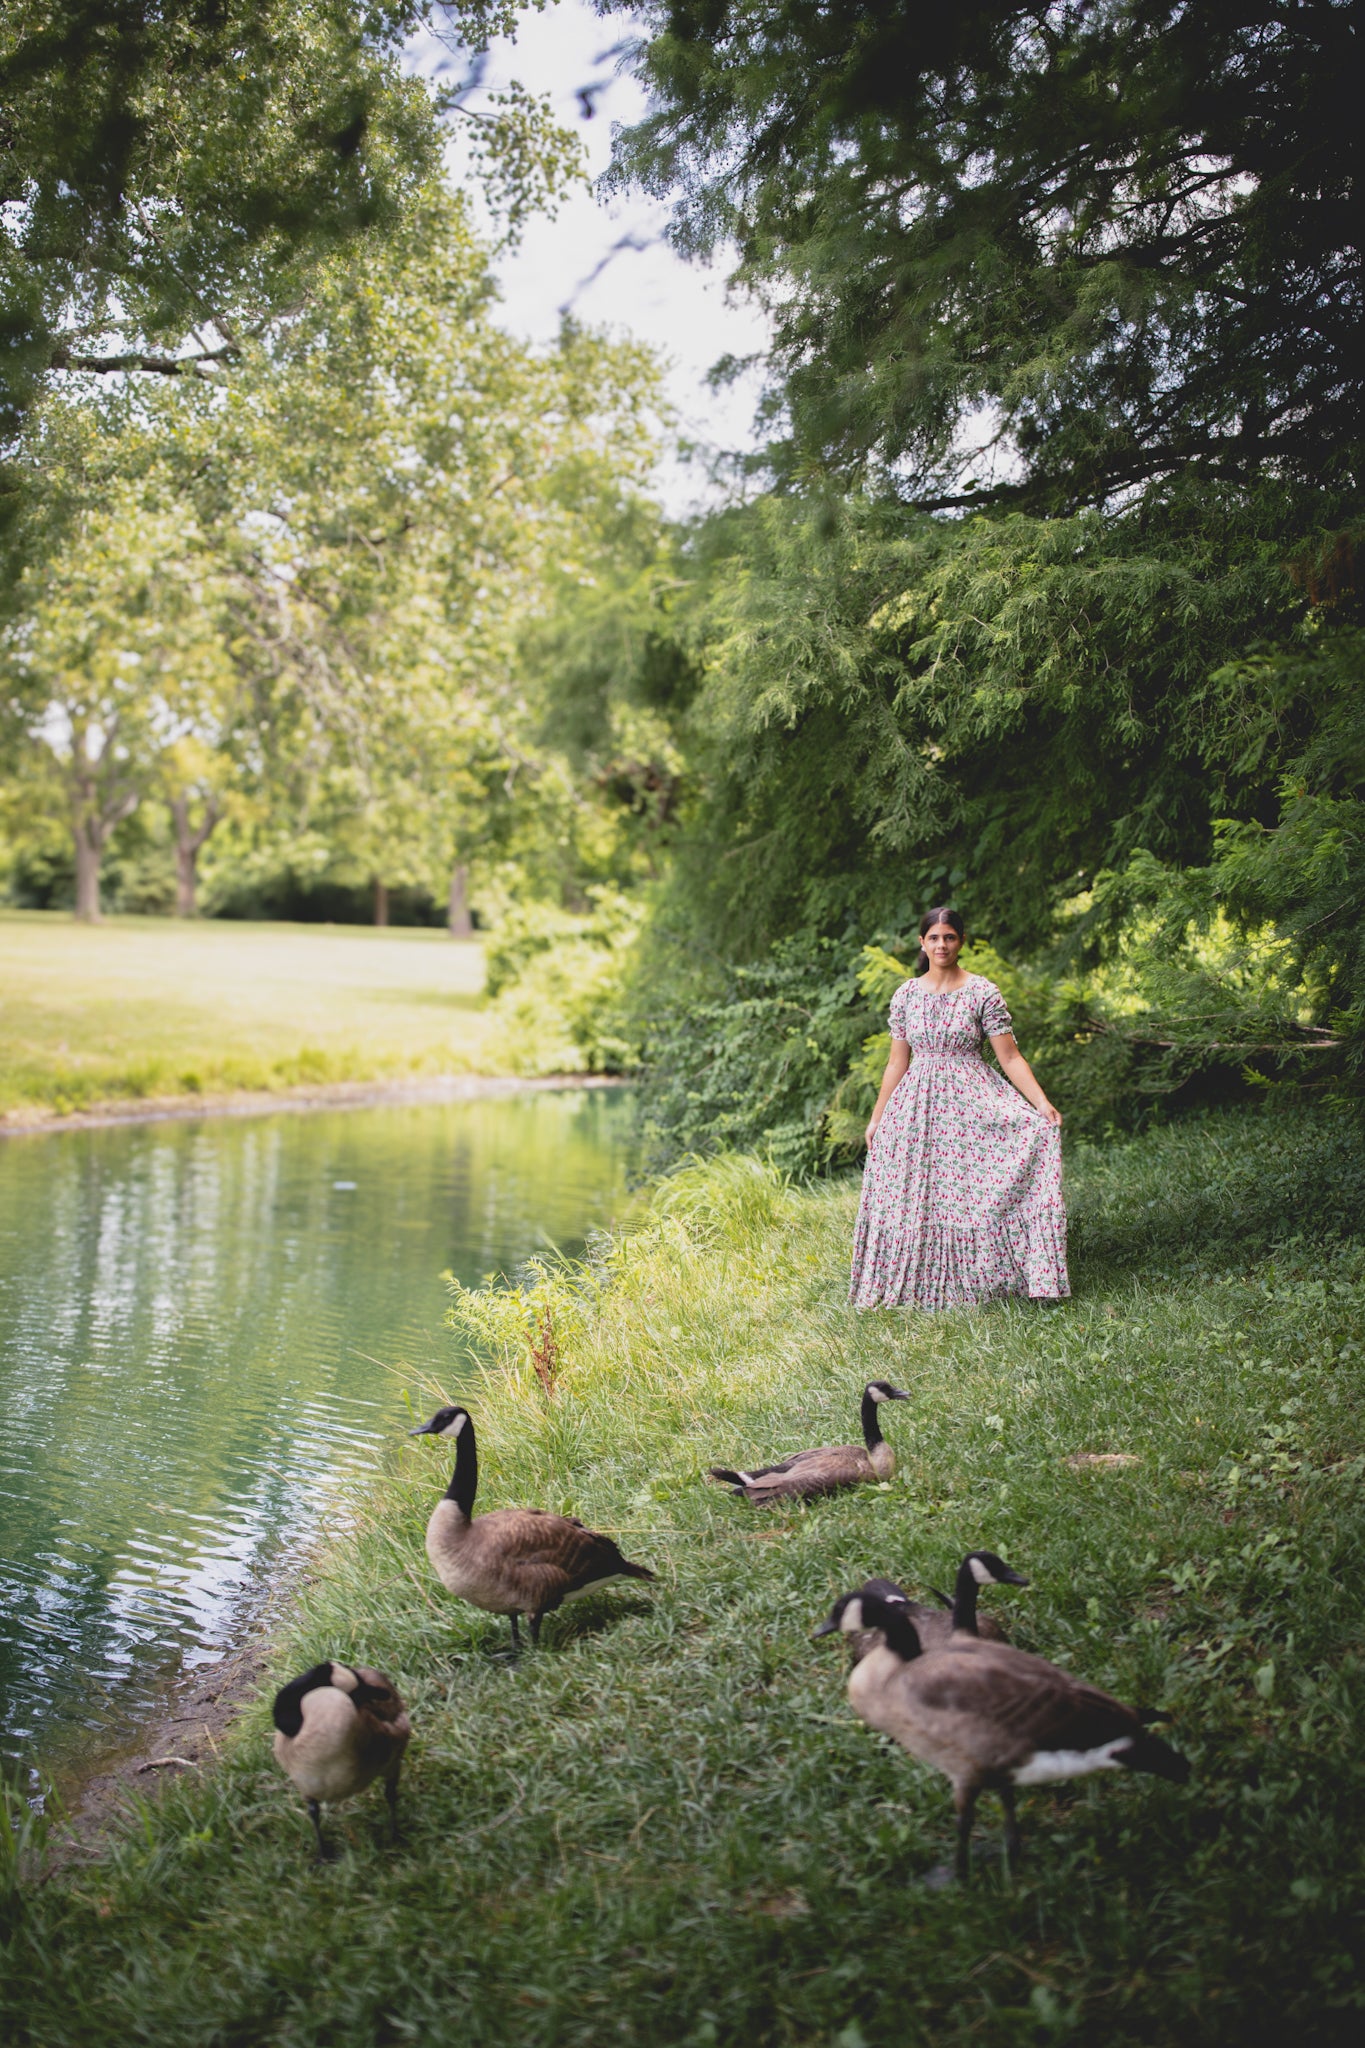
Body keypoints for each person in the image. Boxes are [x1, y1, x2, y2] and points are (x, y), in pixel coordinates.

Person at [849, 908, 1069, 1311]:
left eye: (949, 937)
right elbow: (897, 1061)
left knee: (969, 1196)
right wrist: (878, 1116)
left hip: (972, 1103)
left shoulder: (983, 992)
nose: (941, 945)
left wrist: (1041, 1103)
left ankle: (986, 1280)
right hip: (916, 1107)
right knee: (919, 1197)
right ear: (922, 943)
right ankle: (920, 1283)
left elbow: (1011, 1057)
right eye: (933, 938)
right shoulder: (906, 995)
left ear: (961, 941)